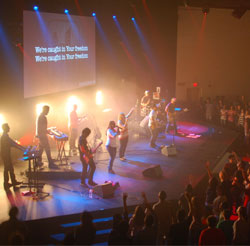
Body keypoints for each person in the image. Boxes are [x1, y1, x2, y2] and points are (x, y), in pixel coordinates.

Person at [1, 123, 24, 189]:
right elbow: (13, 144)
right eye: (8, 127)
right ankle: (6, 183)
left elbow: (13, 143)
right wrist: (23, 148)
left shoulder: (5, 136)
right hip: (6, 155)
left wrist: (22, 148)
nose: (9, 128)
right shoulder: (5, 137)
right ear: (5, 128)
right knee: (7, 169)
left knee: (10, 168)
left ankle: (12, 182)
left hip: (5, 155)